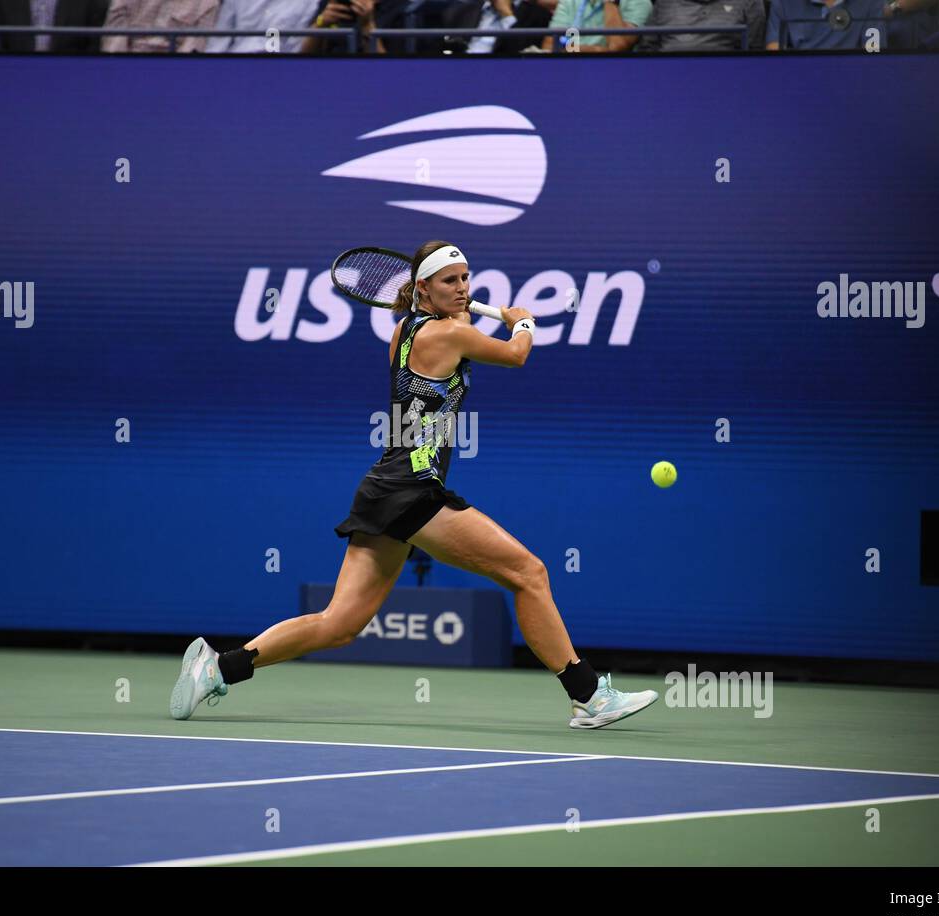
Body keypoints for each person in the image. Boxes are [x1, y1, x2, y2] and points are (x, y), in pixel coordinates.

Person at [170, 240, 660, 730]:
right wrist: (523, 321)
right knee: (528, 573)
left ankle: (218, 667)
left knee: (339, 624)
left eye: (467, 278)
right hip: (413, 491)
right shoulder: (447, 334)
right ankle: (589, 695)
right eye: (451, 280)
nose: (464, 288)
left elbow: (455, 344)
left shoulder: (407, 328)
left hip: (386, 488)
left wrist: (469, 315)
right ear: (422, 287)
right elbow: (516, 355)